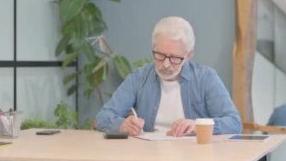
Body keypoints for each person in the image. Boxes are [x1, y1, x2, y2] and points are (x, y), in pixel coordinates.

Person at [95, 16, 242, 137]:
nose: (165, 64)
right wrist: (121, 125)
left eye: (174, 58)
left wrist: (197, 126)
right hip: (148, 157)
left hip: (194, 157)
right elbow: (103, 116)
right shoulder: (138, 78)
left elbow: (234, 123)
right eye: (160, 55)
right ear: (153, 48)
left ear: (189, 55)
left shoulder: (206, 78)